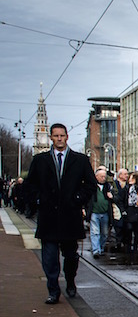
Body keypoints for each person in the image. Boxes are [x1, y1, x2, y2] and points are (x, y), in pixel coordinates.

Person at [22, 123, 97, 304]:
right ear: (51, 137)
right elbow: (29, 185)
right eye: (55, 136)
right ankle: (53, 289)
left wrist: (78, 198)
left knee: (71, 255)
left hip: (70, 216)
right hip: (48, 216)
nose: (59, 139)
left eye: (62, 135)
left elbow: (90, 185)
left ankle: (70, 280)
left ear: (67, 137)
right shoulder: (40, 160)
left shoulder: (80, 160)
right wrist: (39, 199)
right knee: (49, 257)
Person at [87, 168, 114, 258]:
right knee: (95, 232)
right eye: (101, 176)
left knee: (104, 233)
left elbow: (116, 197)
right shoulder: (92, 186)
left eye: (104, 176)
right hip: (94, 212)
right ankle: (96, 250)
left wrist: (112, 196)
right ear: (96, 177)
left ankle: (101, 248)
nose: (103, 178)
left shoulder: (108, 187)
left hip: (105, 212)